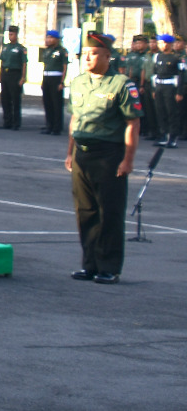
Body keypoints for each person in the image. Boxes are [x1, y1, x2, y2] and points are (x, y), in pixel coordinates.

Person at [67, 31, 142, 284]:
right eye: (85, 53)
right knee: (85, 212)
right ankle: (89, 265)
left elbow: (132, 123)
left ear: (107, 56)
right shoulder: (78, 82)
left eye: (94, 53)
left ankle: (109, 267)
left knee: (109, 212)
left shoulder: (121, 84)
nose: (88, 57)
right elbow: (75, 119)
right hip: (82, 154)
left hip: (109, 155)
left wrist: (128, 159)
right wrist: (69, 153)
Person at [124, 34, 156, 141]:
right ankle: (139, 128)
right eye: (136, 43)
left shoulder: (147, 56)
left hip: (143, 83)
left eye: (140, 43)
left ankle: (147, 128)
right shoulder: (132, 55)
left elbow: (145, 71)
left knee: (145, 107)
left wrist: (142, 85)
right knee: (134, 106)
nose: (138, 45)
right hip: (132, 82)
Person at [153, 33, 181, 148]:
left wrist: (179, 92)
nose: (161, 45)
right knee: (160, 111)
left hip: (170, 87)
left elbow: (180, 75)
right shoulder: (157, 57)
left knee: (171, 112)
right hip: (159, 86)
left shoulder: (176, 58)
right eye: (159, 43)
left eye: (163, 43)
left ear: (169, 44)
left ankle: (172, 137)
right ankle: (164, 134)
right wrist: (154, 88)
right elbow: (154, 73)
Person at [40, 30, 70, 134]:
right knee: (47, 103)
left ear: (57, 39)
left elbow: (65, 67)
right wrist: (43, 81)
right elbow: (45, 66)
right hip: (47, 78)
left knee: (56, 104)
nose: (48, 40)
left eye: (51, 38)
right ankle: (49, 125)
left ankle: (57, 127)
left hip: (56, 79)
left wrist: (62, 82)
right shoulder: (46, 51)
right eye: (47, 37)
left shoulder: (62, 51)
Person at [0, 25, 28, 130]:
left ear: (16, 35)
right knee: (5, 99)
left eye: (12, 34)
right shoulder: (5, 47)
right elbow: (2, 62)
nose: (10, 36)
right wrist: (0, 75)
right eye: (9, 34)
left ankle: (16, 123)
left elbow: (24, 63)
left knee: (15, 99)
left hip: (15, 74)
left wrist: (23, 77)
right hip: (6, 74)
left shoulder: (21, 48)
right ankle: (7, 121)